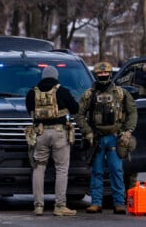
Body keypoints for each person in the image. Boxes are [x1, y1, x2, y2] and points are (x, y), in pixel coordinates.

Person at [75, 62, 137, 215]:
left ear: (109, 74)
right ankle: (96, 203)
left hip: (115, 138)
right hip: (96, 139)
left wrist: (127, 131)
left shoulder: (121, 93)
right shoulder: (89, 95)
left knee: (116, 170)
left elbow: (133, 112)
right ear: (95, 75)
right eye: (100, 74)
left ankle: (119, 203)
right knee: (97, 171)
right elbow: (78, 114)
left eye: (105, 73)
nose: (103, 75)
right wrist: (87, 131)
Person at [24, 65, 79, 216]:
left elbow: (29, 109)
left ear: (43, 76)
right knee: (61, 169)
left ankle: (38, 206)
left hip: (40, 133)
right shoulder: (62, 91)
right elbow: (75, 108)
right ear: (56, 76)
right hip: (59, 133)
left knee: (39, 167)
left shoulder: (32, 92)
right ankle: (60, 205)